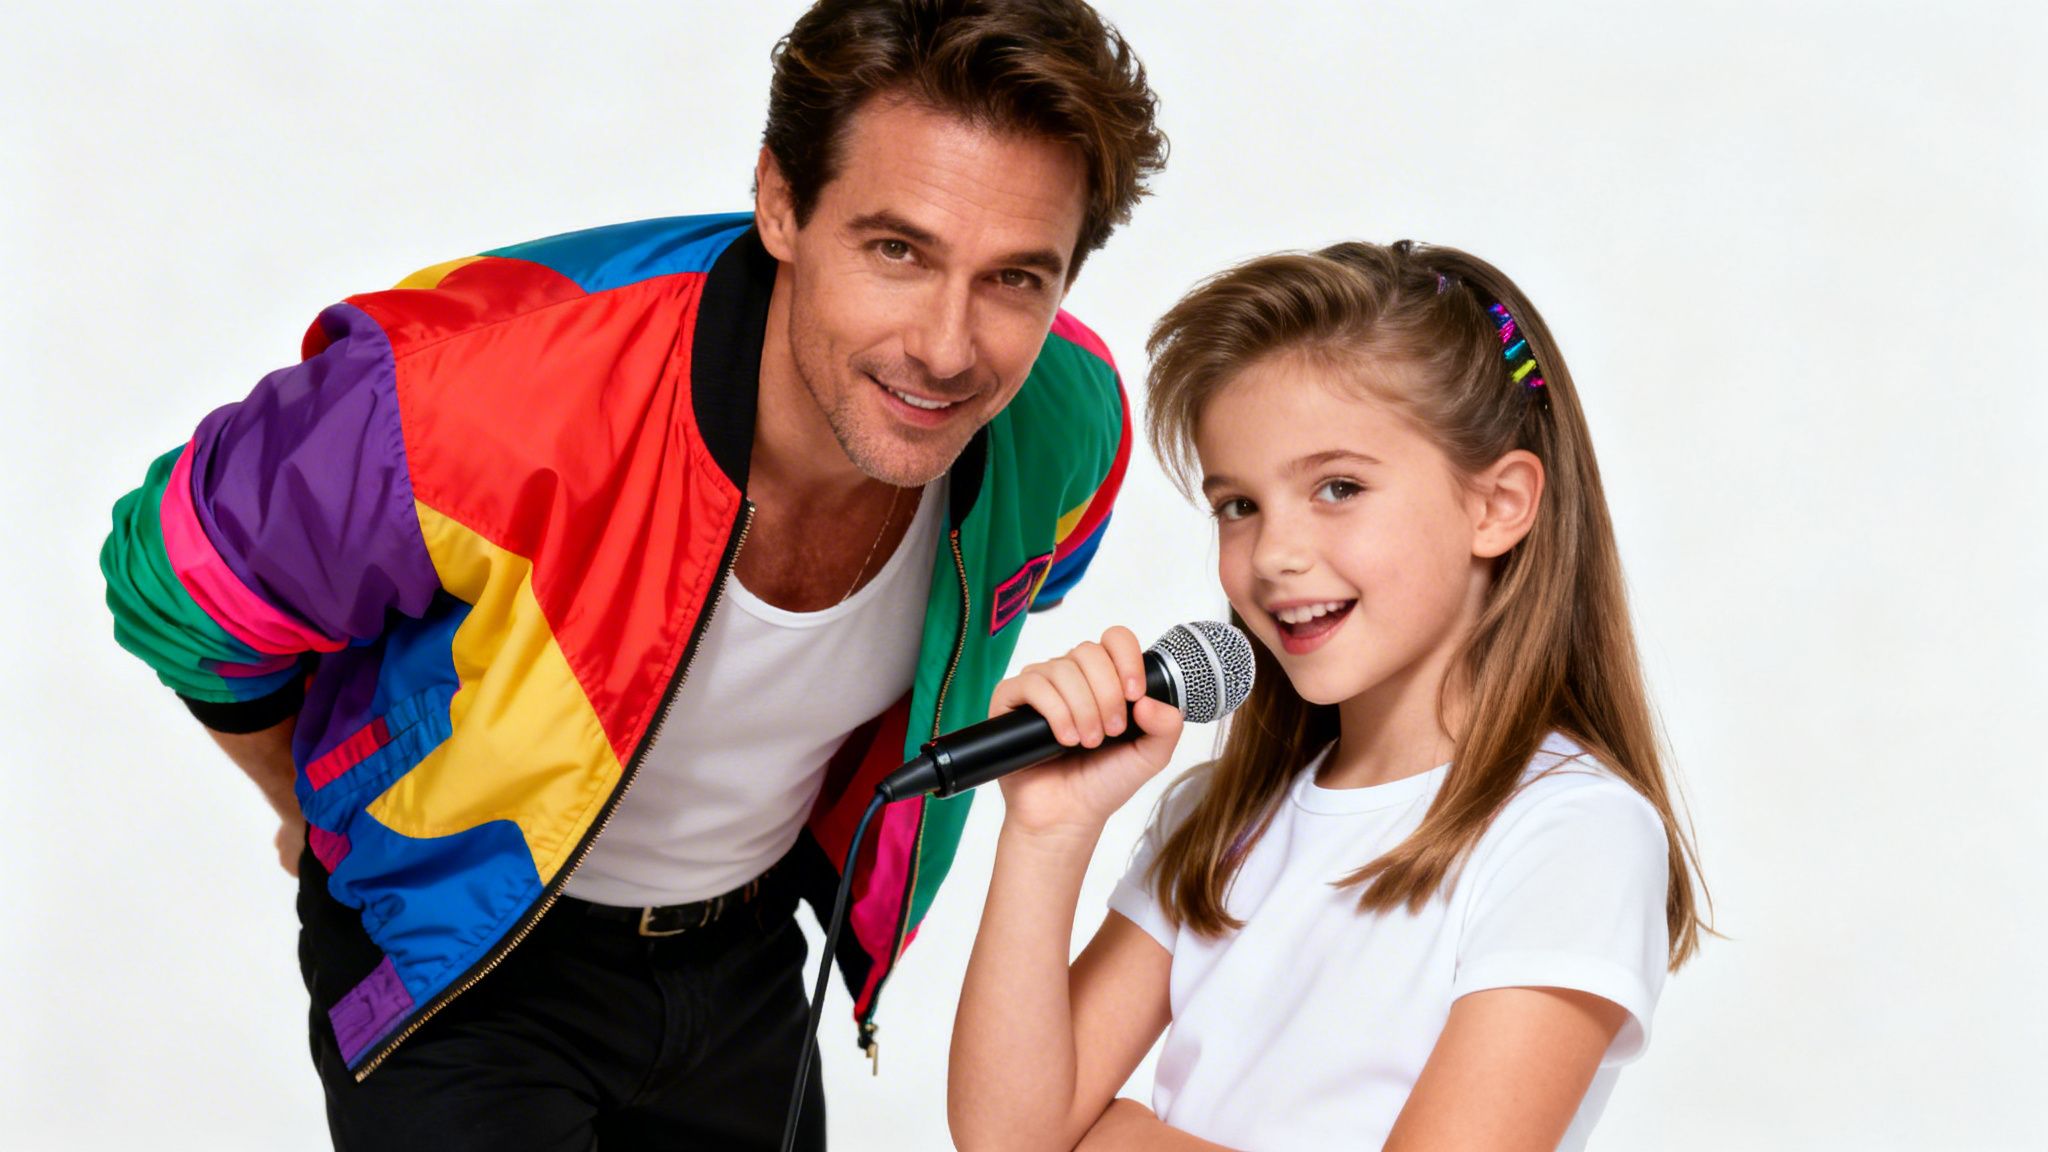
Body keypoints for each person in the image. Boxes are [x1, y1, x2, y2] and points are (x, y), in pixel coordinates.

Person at [97, 1, 1166, 1147]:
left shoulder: (1065, 424)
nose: (948, 348)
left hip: (746, 958)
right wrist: (312, 804)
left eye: (1013, 279)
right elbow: (177, 568)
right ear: (781, 204)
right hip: (459, 958)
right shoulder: (475, 401)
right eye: (896, 250)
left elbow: (1013, 593)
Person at [948, 240, 1710, 1150]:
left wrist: (1120, 1139)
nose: (1273, 555)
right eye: (1239, 505)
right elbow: (1009, 1137)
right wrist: (1048, 833)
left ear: (1497, 504)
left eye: (1337, 488)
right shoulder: (1221, 818)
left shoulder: (1567, 832)